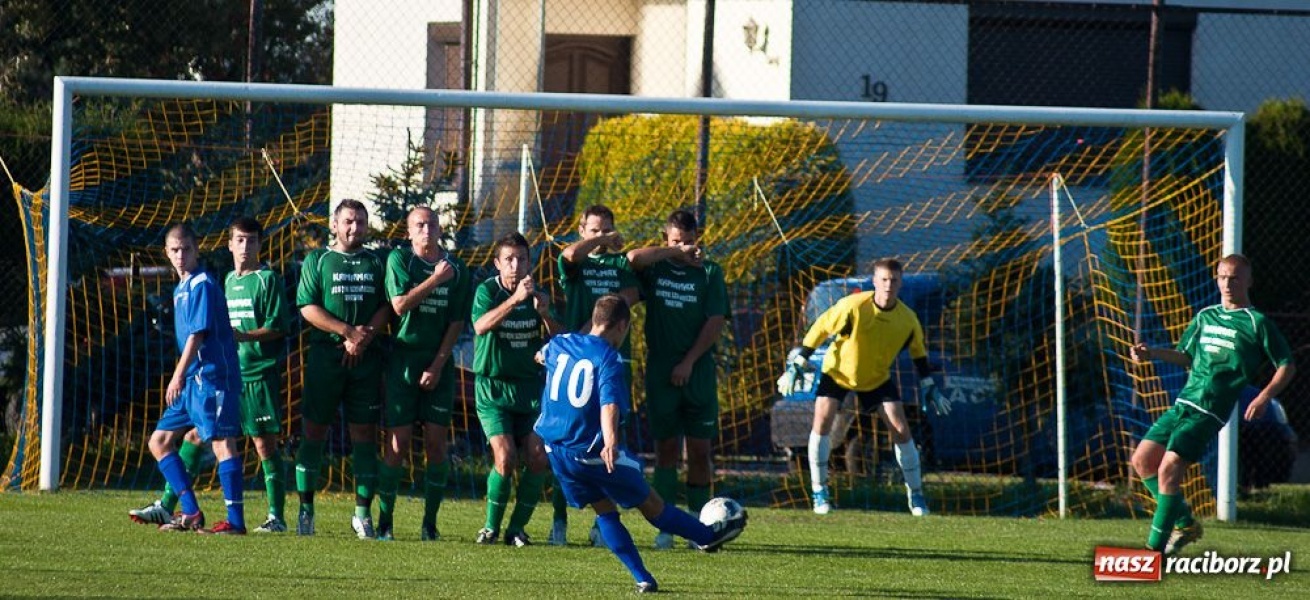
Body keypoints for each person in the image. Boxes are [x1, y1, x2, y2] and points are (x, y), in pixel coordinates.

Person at [535, 294, 745, 593]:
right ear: (622, 325)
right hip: (591, 450)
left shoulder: (561, 343)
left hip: (556, 451)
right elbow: (609, 404)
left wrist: (545, 355)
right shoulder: (608, 357)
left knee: (605, 510)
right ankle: (706, 535)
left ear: (595, 319)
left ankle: (643, 578)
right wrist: (610, 442)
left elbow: (542, 354)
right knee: (651, 505)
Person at [1129, 254, 1294, 555]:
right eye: (1222, 277)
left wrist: (1263, 396)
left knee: (1168, 469)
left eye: (1235, 277)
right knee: (1141, 460)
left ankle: (1151, 555)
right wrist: (1152, 353)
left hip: (1209, 410)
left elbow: (1286, 364)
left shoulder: (1257, 323)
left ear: (1248, 281)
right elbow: (1186, 357)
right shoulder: (1206, 316)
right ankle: (1184, 522)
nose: (1228, 284)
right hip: (1184, 402)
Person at [778, 258, 950, 517]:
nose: (888, 285)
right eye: (883, 280)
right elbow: (821, 327)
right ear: (875, 282)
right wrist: (799, 361)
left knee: (901, 428)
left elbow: (919, 354)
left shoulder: (907, 319)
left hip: (876, 379)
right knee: (822, 420)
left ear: (900, 282)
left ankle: (916, 496)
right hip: (837, 373)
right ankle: (820, 492)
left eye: (893, 280)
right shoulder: (853, 307)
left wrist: (928, 384)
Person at [627, 209, 729, 549]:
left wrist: (688, 362)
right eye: (674, 241)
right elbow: (632, 258)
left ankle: (700, 528)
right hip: (660, 371)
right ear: (666, 240)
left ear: (698, 238)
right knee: (665, 449)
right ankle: (666, 527)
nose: (683, 247)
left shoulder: (710, 272)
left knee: (699, 452)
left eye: (687, 241)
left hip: (696, 371)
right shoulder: (658, 267)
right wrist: (673, 252)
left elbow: (715, 320)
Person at [294, 199, 392, 538]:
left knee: (364, 435)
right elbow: (307, 307)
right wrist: (347, 332)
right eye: (349, 221)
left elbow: (387, 307)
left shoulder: (377, 262)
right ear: (334, 224)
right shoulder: (317, 259)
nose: (355, 228)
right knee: (313, 432)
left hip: (366, 359)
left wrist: (362, 339)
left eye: (361, 222)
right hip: (325, 358)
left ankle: (361, 515)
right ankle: (305, 512)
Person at [548, 204, 640, 546]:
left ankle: (602, 524)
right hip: (576, 367)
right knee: (565, 445)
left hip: (611, 362)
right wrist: (599, 241)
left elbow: (629, 297)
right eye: (594, 231)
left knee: (609, 443)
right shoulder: (575, 262)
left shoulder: (621, 265)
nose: (601, 238)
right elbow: (570, 253)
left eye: (607, 230)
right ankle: (559, 520)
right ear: (583, 229)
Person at [377, 207, 470, 541]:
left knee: (436, 444)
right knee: (397, 444)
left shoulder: (457, 268)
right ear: (409, 231)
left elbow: (457, 322)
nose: (426, 229)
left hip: (439, 364)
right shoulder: (400, 261)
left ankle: (429, 525)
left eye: (431, 223)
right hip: (403, 361)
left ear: (439, 228)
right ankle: (384, 523)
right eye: (419, 225)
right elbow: (400, 305)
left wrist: (437, 364)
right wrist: (434, 280)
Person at [148, 223, 246, 534]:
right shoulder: (181, 288)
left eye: (186, 249)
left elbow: (198, 334)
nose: (180, 256)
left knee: (222, 443)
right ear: (167, 253)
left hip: (212, 377)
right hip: (193, 381)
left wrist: (176, 375)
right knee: (159, 441)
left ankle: (236, 523)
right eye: (174, 250)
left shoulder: (202, 283)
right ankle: (190, 512)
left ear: (196, 250)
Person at [471, 231, 564, 546]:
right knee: (506, 456)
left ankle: (516, 530)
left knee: (539, 458)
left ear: (530, 263)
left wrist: (546, 314)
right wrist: (515, 301)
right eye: (508, 259)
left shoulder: (540, 296)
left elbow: (560, 341)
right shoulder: (487, 291)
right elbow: (480, 326)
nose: (515, 265)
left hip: (530, 389)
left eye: (521, 259)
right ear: (497, 263)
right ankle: (490, 527)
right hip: (493, 389)